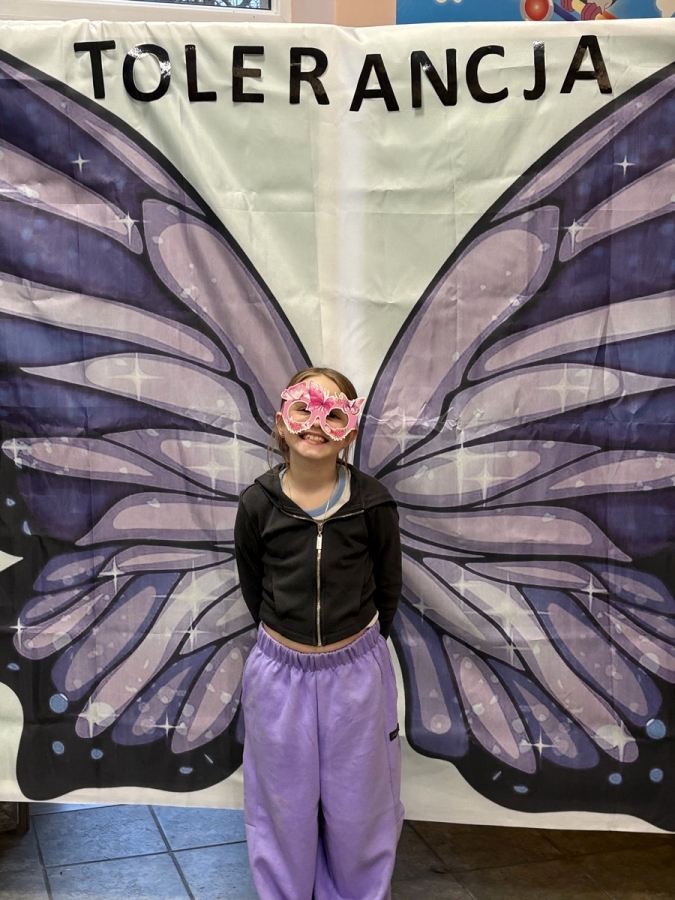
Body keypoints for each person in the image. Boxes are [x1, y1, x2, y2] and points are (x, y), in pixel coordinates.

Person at [234, 366, 404, 900]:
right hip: (278, 677)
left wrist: (358, 651)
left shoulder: (374, 503)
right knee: (281, 805)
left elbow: (388, 587)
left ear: (349, 431)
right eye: (304, 409)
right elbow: (253, 584)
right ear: (281, 422)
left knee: (360, 805)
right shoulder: (257, 504)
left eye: (333, 413)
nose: (316, 423)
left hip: (356, 676)